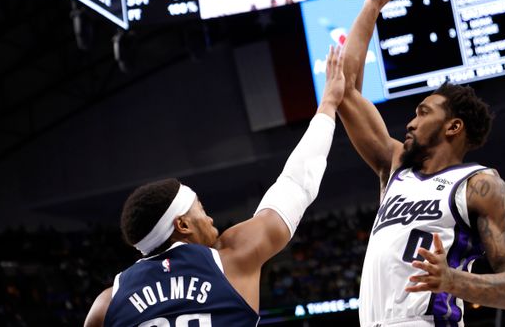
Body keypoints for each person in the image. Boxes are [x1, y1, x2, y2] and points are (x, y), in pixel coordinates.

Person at [84, 47, 347, 327]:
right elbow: (295, 184)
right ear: (182, 225)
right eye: (201, 209)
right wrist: (328, 105)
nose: (210, 219)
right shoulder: (232, 259)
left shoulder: (107, 304)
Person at [338, 0, 505, 326]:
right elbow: (345, 90)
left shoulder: (480, 185)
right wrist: (373, 7)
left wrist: (452, 280)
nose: (410, 123)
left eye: (423, 113)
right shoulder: (396, 166)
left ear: (453, 127)